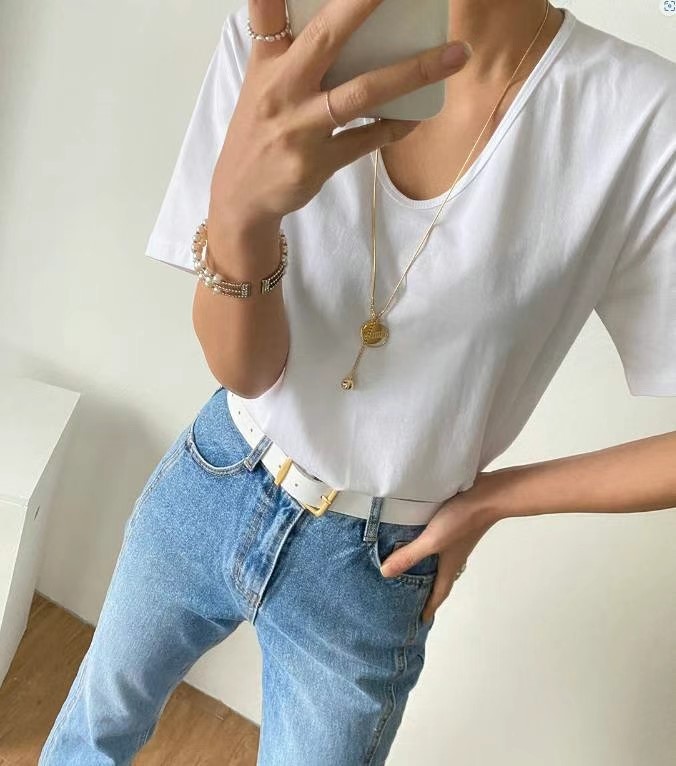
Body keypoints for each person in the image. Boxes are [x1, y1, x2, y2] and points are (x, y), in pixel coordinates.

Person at [40, 0, 675, 763]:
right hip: (219, 470)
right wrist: (240, 218)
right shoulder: (282, 34)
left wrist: (496, 499)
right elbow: (246, 369)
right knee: (90, 736)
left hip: (376, 567)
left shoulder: (642, 119)